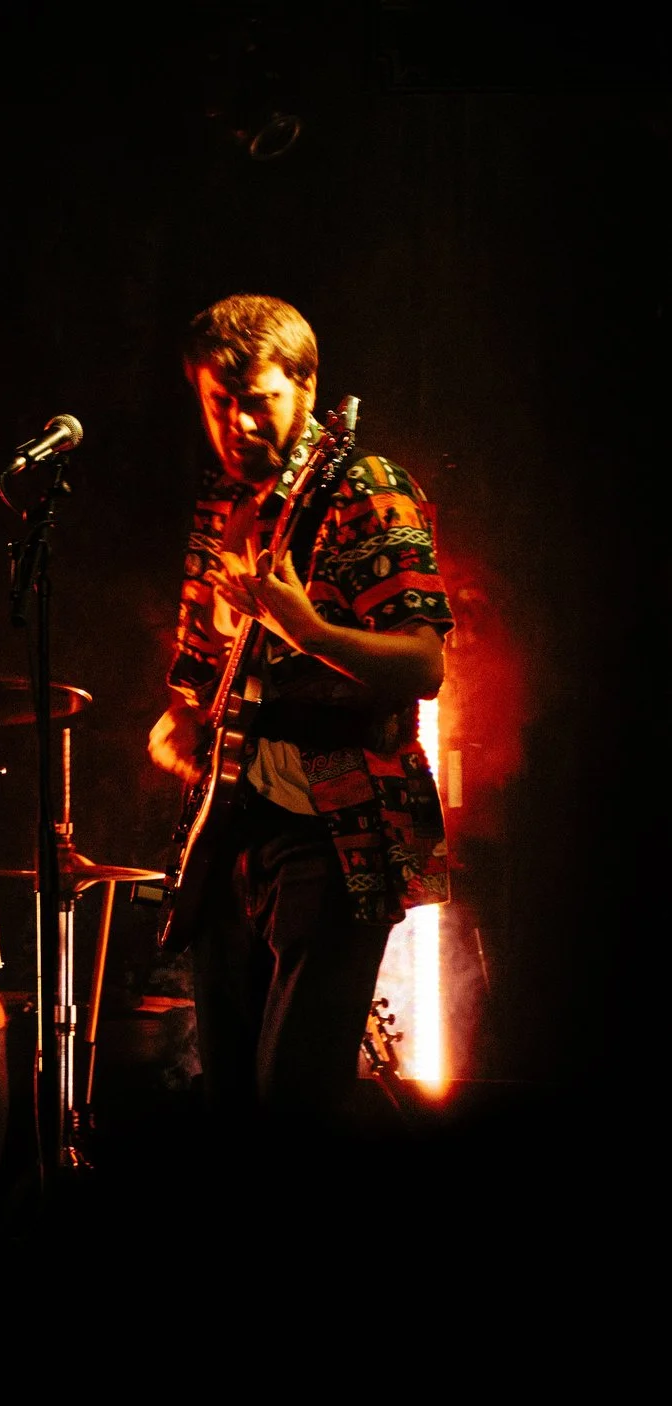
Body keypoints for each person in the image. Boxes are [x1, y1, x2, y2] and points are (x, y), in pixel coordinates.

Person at [147, 293, 449, 1125]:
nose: (239, 425)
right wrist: (180, 717)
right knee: (232, 1101)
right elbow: (200, 669)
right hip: (233, 824)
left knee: (294, 1101)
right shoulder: (219, 502)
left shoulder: (366, 487)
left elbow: (425, 663)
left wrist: (310, 630)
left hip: (345, 823)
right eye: (220, 403)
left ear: (307, 390)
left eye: (259, 403)